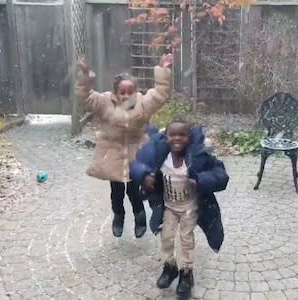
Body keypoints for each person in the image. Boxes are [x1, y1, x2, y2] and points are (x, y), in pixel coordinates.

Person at [76, 54, 173, 238]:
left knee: (134, 190)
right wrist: (85, 74)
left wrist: (163, 70)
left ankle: (140, 217)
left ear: (136, 91)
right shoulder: (104, 102)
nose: (126, 95)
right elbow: (86, 96)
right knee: (117, 192)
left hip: (136, 153)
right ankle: (118, 216)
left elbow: (160, 94)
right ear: (115, 92)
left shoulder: (143, 103)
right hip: (112, 154)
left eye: (130, 91)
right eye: (122, 92)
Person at [130, 119, 229, 296]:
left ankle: (187, 273)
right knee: (166, 237)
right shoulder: (160, 156)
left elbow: (221, 175)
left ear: (189, 138)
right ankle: (170, 267)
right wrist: (144, 176)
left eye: (182, 135)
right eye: (172, 135)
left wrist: (200, 179)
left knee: (186, 239)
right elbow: (136, 164)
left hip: (189, 208)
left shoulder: (197, 158)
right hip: (168, 207)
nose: (177, 139)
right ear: (165, 138)